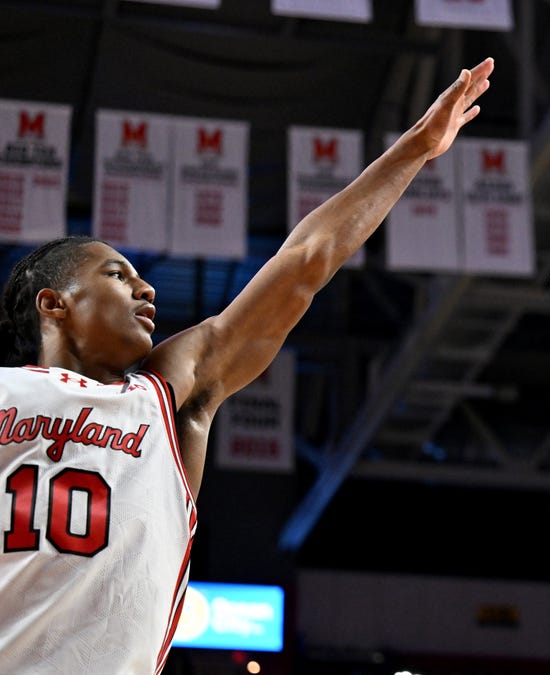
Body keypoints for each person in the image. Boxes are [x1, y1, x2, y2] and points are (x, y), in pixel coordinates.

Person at [0, 57, 493, 673]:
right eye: (117, 275)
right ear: (54, 305)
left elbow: (305, 262)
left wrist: (416, 149)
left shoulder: (164, 396)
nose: (146, 290)